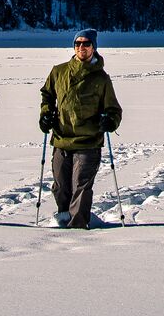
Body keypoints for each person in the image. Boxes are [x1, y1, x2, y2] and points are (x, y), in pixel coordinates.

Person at [39, 27, 121, 229]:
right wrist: (45, 114)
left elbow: (113, 108)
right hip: (61, 138)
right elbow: (47, 95)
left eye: (86, 43)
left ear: (94, 47)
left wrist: (110, 121)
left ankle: (77, 227)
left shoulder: (101, 78)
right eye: (78, 43)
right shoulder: (59, 71)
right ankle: (64, 217)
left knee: (81, 186)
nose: (81, 47)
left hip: (88, 141)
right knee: (60, 187)